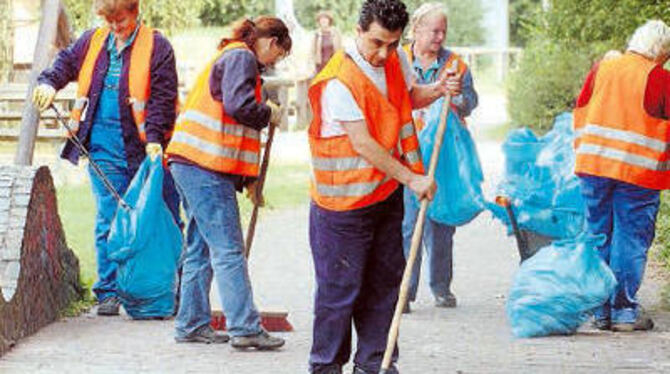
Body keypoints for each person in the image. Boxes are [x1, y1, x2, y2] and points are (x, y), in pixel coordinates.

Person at [307, 0, 454, 371]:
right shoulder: (339, 79)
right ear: (357, 31)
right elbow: (363, 143)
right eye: (376, 43)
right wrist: (412, 178)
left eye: (392, 43)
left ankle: (377, 364)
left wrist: (438, 89)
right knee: (340, 293)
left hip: (384, 198)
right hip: (341, 207)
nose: (383, 53)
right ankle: (325, 367)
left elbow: (406, 95)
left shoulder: (394, 60)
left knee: (384, 288)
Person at [32, 0, 181, 317]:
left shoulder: (158, 46)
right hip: (102, 147)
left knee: (163, 216)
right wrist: (47, 82)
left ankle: (172, 287)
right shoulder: (92, 40)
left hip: (148, 150)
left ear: (136, 11)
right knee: (108, 218)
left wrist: (155, 139)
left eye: (121, 20)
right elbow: (65, 65)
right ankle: (110, 292)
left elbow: (163, 98)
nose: (115, 27)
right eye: (110, 20)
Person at [165, 17, 289, 348]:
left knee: (200, 247)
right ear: (271, 42)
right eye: (278, 54)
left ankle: (191, 324)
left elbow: (230, 125)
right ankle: (245, 328)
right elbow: (239, 106)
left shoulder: (231, 56)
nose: (274, 62)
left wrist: (249, 181)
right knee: (228, 249)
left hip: (189, 162)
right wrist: (268, 113)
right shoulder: (242, 57)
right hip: (204, 166)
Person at [574, 20, 670, 332]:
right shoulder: (658, 77)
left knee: (598, 234)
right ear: (661, 51)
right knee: (630, 237)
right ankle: (624, 312)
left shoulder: (604, 67)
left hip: (593, 166)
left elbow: (581, 109)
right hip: (637, 172)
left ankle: (599, 311)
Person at [400, 2, 479, 312]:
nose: (439, 36)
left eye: (443, 31)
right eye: (434, 30)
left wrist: (458, 96)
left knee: (441, 221)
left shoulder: (456, 64)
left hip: (443, 152)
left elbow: (471, 101)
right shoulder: (399, 60)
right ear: (417, 29)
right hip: (408, 151)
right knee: (408, 224)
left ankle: (441, 286)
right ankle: (405, 289)